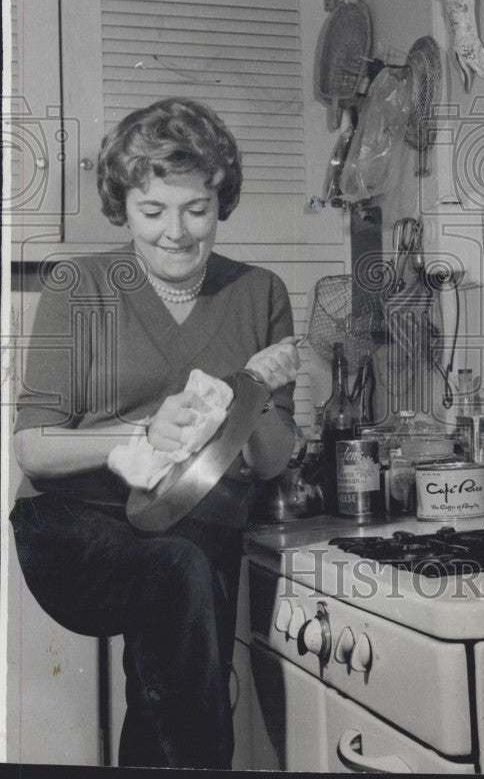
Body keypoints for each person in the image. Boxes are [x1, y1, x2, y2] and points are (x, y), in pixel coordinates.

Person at [10, 98, 300, 769]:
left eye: (196, 209)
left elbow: (275, 455)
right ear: (123, 206)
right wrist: (141, 432)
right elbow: (33, 447)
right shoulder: (77, 286)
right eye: (153, 211)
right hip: (72, 527)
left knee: (164, 685)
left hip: (194, 521)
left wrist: (253, 396)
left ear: (221, 200)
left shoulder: (261, 293)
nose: (176, 232)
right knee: (181, 571)